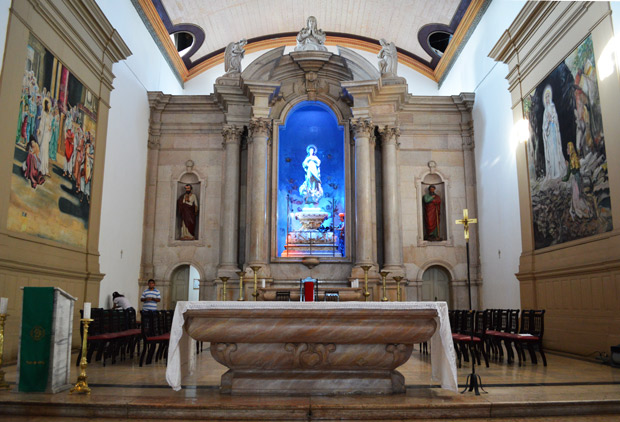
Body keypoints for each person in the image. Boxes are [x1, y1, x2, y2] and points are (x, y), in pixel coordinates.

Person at [562, 142, 593, 220]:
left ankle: (586, 213)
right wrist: (563, 179)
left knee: (578, 198)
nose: (567, 150)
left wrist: (578, 186)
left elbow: (572, 173)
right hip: (576, 180)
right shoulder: (572, 159)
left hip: (576, 180)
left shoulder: (573, 159)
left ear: (570, 149)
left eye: (568, 148)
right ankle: (582, 212)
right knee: (576, 198)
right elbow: (569, 173)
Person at [542, 85, 566, 180]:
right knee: (551, 152)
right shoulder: (545, 111)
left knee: (555, 151)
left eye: (548, 96)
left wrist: (551, 119)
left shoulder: (552, 107)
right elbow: (544, 126)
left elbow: (555, 119)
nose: (547, 98)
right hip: (549, 134)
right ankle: (552, 174)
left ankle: (558, 172)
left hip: (554, 131)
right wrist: (547, 122)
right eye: (546, 97)